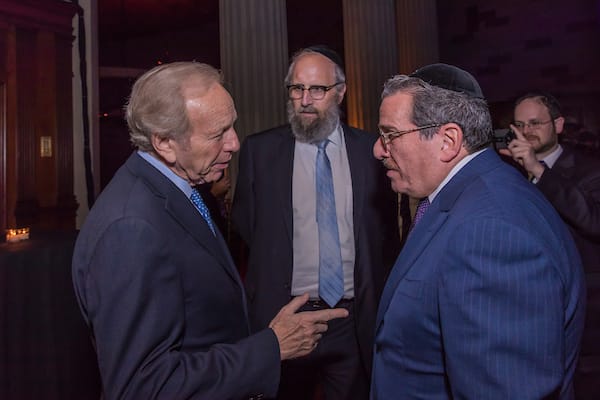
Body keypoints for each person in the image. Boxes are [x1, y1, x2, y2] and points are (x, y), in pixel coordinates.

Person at [71, 61, 348, 400]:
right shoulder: (131, 229)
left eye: (232, 127)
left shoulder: (179, 190)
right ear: (165, 142)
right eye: (218, 134)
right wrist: (271, 347)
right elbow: (144, 387)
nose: (234, 143)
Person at [371, 63, 585, 399]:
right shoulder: (466, 197)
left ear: (448, 141)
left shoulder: (491, 233)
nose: (378, 149)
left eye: (391, 135)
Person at [231, 46, 400, 400]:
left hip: (352, 319)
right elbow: (246, 226)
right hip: (284, 318)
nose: (305, 100)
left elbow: (385, 233)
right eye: (297, 88)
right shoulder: (260, 151)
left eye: (317, 89)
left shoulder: (371, 152)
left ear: (340, 91)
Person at [501, 91, 600, 399]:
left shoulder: (590, 169)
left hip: (584, 313)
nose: (527, 131)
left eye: (535, 123)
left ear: (558, 125)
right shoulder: (509, 172)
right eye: (519, 125)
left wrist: (538, 170)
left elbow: (593, 221)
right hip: (528, 311)